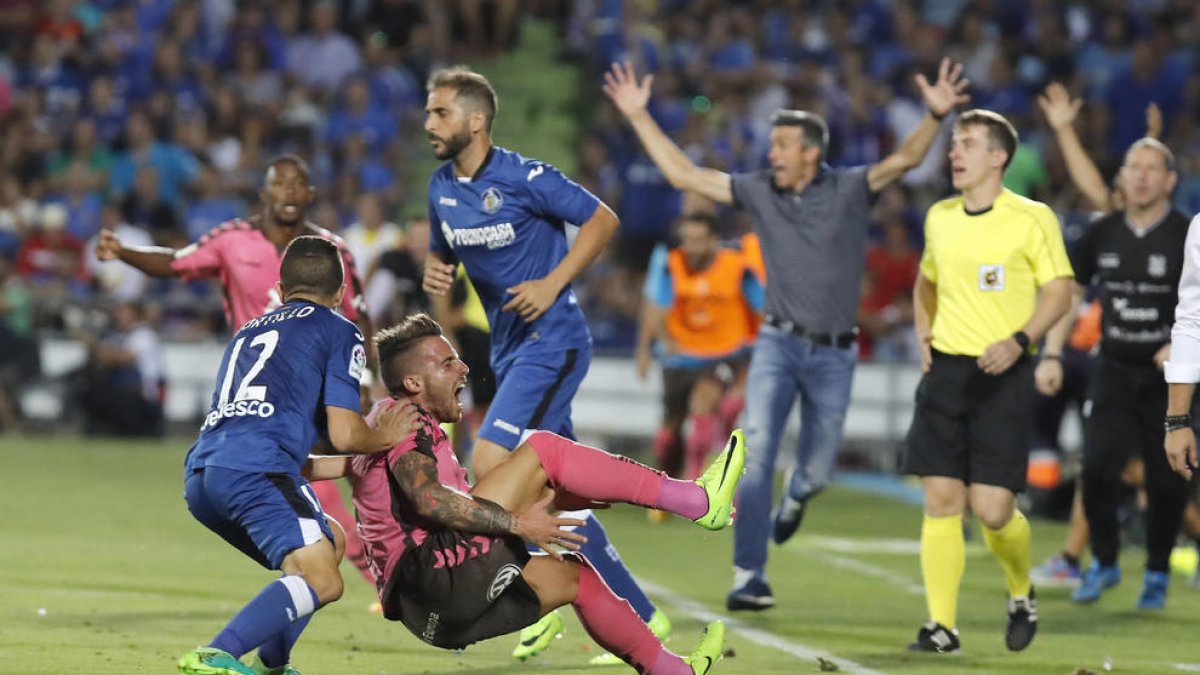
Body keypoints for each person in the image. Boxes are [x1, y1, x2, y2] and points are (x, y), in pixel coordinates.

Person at [603, 57, 971, 610]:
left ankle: (798, 496)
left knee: (818, 470)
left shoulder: (849, 188)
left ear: (811, 153)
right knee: (752, 457)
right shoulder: (758, 191)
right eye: (773, 144)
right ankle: (749, 574)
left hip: (835, 353)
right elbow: (685, 176)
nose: (771, 153)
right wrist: (639, 117)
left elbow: (906, 159)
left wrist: (935, 115)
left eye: (782, 145)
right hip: (776, 343)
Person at [305, 313, 741, 674]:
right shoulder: (408, 418)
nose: (463, 369)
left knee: (576, 579)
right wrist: (517, 523)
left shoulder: (382, 427)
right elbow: (428, 500)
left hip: (431, 617)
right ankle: (697, 500)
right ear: (415, 383)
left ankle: (672, 671)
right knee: (545, 450)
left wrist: (549, 498)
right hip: (436, 575)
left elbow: (414, 498)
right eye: (447, 362)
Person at [420, 66, 671, 661]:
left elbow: (602, 217)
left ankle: (521, 589)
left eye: (441, 113)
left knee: (489, 458)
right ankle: (640, 613)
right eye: (429, 112)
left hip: (552, 341)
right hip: (510, 351)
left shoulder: (525, 176)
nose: (429, 123)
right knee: (564, 492)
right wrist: (438, 272)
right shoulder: (439, 186)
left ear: (476, 121)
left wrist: (553, 282)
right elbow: (441, 249)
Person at [94, 155, 380, 589]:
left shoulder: (331, 251)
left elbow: (359, 316)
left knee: (346, 468)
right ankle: (358, 569)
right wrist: (123, 253)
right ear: (264, 193)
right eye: (279, 184)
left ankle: (351, 564)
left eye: (297, 184)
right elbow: (175, 262)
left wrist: (365, 378)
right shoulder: (232, 240)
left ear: (310, 195)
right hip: (261, 391)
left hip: (317, 385)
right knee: (320, 476)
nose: (288, 192)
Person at [176, 236, 419, 675]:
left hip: (204, 476)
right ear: (341, 294)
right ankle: (216, 653)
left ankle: (274, 663)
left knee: (330, 542)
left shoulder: (248, 331)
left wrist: (354, 462)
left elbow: (277, 442)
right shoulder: (340, 328)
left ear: (281, 290)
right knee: (323, 579)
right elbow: (345, 432)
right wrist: (383, 436)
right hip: (256, 472)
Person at [904, 109, 1074, 653]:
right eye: (954, 144)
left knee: (995, 511)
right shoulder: (940, 217)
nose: (955, 152)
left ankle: (1021, 592)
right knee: (941, 498)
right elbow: (926, 280)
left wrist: (1022, 341)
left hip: (1004, 372)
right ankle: (942, 626)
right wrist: (923, 331)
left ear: (999, 157)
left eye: (969, 144)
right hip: (948, 371)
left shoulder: (1032, 218)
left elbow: (1059, 291)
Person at [1040, 136, 1191, 609]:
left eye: (1151, 168)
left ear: (1169, 181)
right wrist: (1051, 351)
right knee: (1098, 469)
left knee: (1169, 480)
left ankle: (1158, 571)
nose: (1141, 175)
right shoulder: (1101, 232)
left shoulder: (1188, 235)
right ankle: (1103, 562)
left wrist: (1179, 344)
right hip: (1114, 367)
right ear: (1122, 177)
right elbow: (1069, 294)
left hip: (1169, 377)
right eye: (1132, 166)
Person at [1032, 84, 1167, 587]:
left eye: (1148, 172)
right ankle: (1073, 556)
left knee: (1152, 473)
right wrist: (1066, 129)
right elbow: (1094, 185)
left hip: (1159, 368)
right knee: (1108, 466)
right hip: (1118, 365)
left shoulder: (1175, 235)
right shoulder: (1119, 226)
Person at [635, 212, 762, 480]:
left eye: (698, 240)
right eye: (687, 240)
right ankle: (669, 479)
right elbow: (657, 308)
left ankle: (697, 478)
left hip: (725, 353)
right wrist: (660, 339)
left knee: (704, 402)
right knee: (670, 430)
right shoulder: (672, 264)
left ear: (714, 241)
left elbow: (761, 306)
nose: (691, 247)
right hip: (681, 357)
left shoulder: (737, 267)